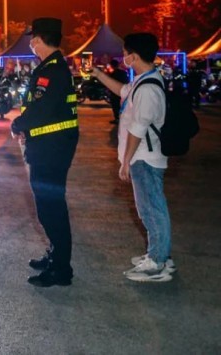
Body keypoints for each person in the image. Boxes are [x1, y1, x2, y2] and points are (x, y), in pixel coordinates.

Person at [91, 33, 176, 282]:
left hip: (144, 158)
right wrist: (99, 75)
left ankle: (157, 263)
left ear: (134, 56)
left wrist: (126, 161)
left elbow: (138, 129)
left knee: (152, 210)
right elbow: (122, 91)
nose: (123, 57)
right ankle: (159, 254)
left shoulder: (148, 88)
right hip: (142, 157)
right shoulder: (143, 81)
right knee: (148, 208)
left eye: (126, 54)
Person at [10, 18, 79, 287]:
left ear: (38, 40)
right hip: (51, 145)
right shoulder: (53, 67)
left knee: (51, 208)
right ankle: (55, 255)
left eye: (32, 38)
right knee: (49, 207)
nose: (30, 43)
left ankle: (60, 269)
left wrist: (18, 125)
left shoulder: (51, 71)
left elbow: (41, 110)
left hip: (51, 148)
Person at [107, 59, 129, 124]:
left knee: (115, 106)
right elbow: (127, 81)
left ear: (112, 66)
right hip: (123, 92)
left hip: (115, 92)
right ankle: (122, 118)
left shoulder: (113, 73)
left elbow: (110, 83)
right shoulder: (123, 73)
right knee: (121, 105)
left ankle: (117, 118)